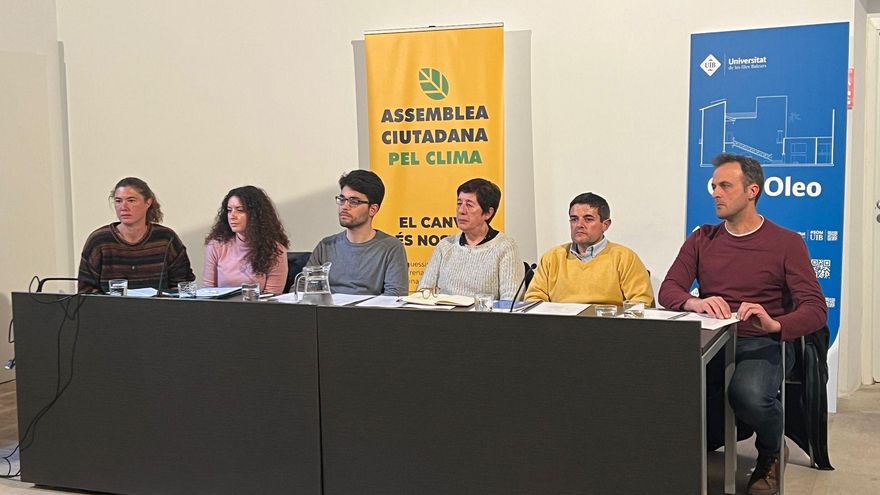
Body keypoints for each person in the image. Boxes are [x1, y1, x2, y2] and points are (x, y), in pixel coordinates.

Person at [658, 153, 826, 495]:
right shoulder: (701, 239)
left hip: (763, 340)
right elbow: (668, 290)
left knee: (748, 394)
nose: (715, 193)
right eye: (714, 186)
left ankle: (770, 453)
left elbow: (815, 309)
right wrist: (695, 301)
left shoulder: (786, 243)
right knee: (662, 387)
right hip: (711, 341)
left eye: (725, 186)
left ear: (752, 191)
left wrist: (775, 324)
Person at [525, 192, 653, 305]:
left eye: (588, 219)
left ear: (605, 224)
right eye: (574, 219)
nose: (579, 225)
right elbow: (533, 299)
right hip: (560, 328)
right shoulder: (552, 257)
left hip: (609, 328)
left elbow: (640, 302)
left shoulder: (624, 258)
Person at [78, 177, 195, 293]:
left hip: (159, 310)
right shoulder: (99, 241)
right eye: (118, 201)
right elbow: (86, 291)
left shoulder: (165, 239)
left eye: (131, 200)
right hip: (110, 310)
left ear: (148, 202)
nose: (124, 207)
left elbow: (184, 287)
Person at [418, 178, 523, 300]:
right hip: (444, 317)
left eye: (469, 205)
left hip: (484, 317)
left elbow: (510, 302)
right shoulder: (445, 245)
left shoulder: (505, 247)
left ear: (488, 213)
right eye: (459, 203)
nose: (461, 211)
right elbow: (423, 292)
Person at [308, 170, 408, 295]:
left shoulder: (391, 247)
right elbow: (303, 288)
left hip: (368, 313)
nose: (344, 206)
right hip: (328, 312)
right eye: (342, 199)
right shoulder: (326, 245)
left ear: (372, 209)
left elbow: (395, 295)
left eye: (353, 201)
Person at [204, 185, 289, 295]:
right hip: (221, 309)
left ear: (256, 215)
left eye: (240, 210)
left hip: (258, 310)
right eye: (229, 210)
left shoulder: (276, 251)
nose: (232, 216)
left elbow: (271, 298)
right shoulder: (216, 246)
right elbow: (207, 293)